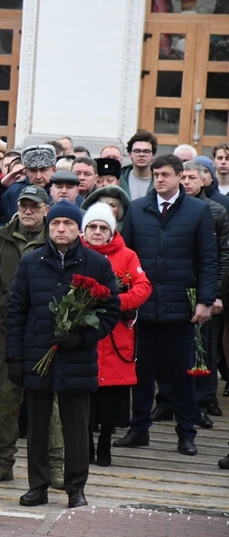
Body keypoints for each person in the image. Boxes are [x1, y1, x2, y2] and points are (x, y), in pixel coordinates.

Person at [6, 200, 120, 508]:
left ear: (78, 229)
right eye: (55, 223)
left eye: (68, 224)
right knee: (37, 427)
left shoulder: (96, 264)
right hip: (38, 354)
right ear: (48, 226)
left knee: (77, 428)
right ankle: (38, 485)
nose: (60, 229)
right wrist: (14, 358)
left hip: (77, 357)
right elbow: (15, 312)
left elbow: (111, 311)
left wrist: (82, 336)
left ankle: (75, 488)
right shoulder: (31, 262)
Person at [115, 155, 217, 456]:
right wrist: (125, 297)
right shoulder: (137, 209)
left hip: (180, 307)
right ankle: (138, 429)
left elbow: (207, 259)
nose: (159, 179)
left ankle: (186, 432)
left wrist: (205, 301)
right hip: (142, 306)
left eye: (165, 175)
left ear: (179, 177)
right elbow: (125, 255)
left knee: (182, 374)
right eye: (156, 174)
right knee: (142, 372)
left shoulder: (198, 211)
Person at [0, 185, 66, 486]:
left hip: (47, 332)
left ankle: (56, 465)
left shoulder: (56, 238)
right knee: (5, 397)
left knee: (50, 401)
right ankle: (2, 462)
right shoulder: (0, 237)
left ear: (45, 210)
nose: (28, 211)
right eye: (23, 205)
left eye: (34, 206)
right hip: (8, 329)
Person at [79, 203, 152, 467]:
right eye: (92, 227)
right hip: (83, 332)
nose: (97, 232)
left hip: (116, 334)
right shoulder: (75, 253)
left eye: (103, 227)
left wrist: (117, 302)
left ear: (111, 231)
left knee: (112, 395)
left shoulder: (127, 255)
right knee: (83, 392)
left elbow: (143, 287)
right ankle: (85, 444)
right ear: (84, 230)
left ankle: (105, 442)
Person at [179, 161, 229, 428]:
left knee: (205, 349)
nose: (187, 182)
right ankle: (168, 401)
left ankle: (202, 402)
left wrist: (215, 294)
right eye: (183, 177)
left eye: (192, 177)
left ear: (203, 181)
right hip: (177, 289)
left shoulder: (216, 211)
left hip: (205, 291)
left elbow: (222, 255)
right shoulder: (171, 209)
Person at [0, 145, 56, 228]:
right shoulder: (13, 191)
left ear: (54, 169)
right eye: (33, 171)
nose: (38, 176)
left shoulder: (61, 191)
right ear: (26, 170)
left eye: (43, 170)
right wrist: (0, 185)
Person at [119, 130, 157, 200]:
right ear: (130, 154)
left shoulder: (160, 180)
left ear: (153, 155)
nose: (141, 154)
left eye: (146, 151)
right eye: (137, 151)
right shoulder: (119, 179)